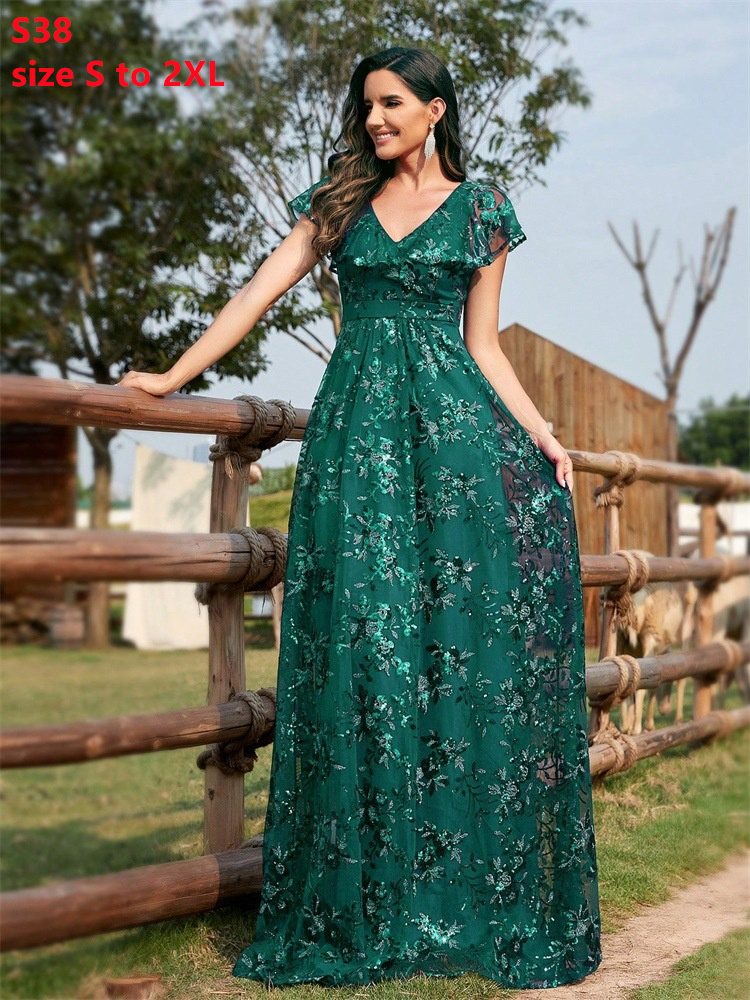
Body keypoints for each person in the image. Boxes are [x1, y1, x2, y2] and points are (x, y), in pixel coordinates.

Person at [119, 45, 602, 992]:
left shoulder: (483, 207)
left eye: (391, 103)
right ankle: (363, 892)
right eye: (367, 105)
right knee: (363, 644)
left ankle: (454, 888)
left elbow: (483, 343)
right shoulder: (340, 199)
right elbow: (258, 292)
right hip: (356, 444)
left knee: (456, 646)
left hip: (456, 446)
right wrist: (175, 376)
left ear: (435, 109)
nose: (375, 118)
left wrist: (543, 433)